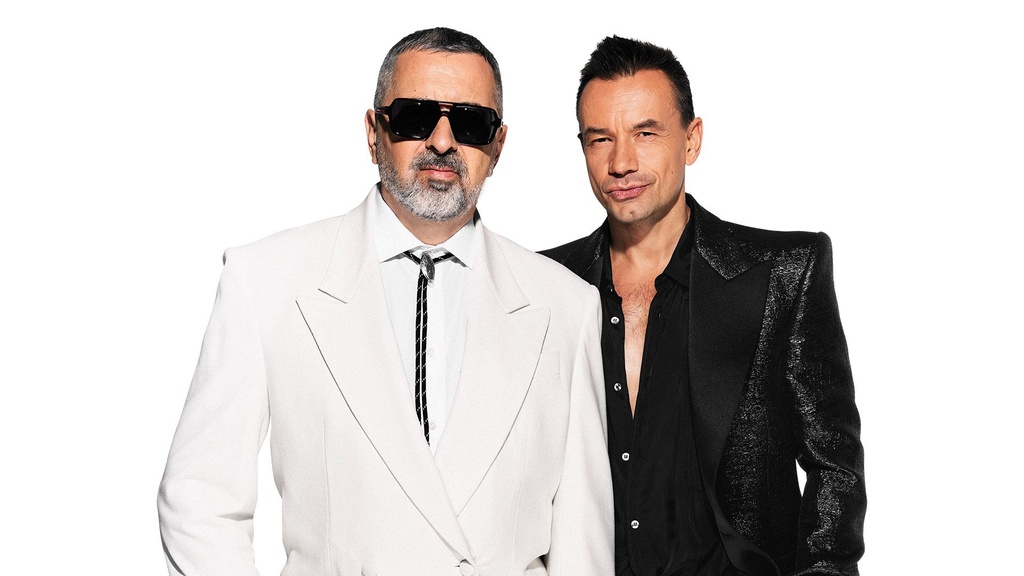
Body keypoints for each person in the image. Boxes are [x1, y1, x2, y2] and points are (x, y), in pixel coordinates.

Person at [158, 27, 612, 576]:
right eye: (416, 117)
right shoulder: (267, 281)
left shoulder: (566, 307)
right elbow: (199, 500)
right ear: (374, 133)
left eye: (470, 123)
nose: (442, 142)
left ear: (497, 146)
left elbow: (582, 544)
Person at [542, 36, 865, 576]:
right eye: (601, 139)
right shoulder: (545, 284)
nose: (621, 162)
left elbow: (835, 465)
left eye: (645, 134)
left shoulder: (782, 272)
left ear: (691, 140)